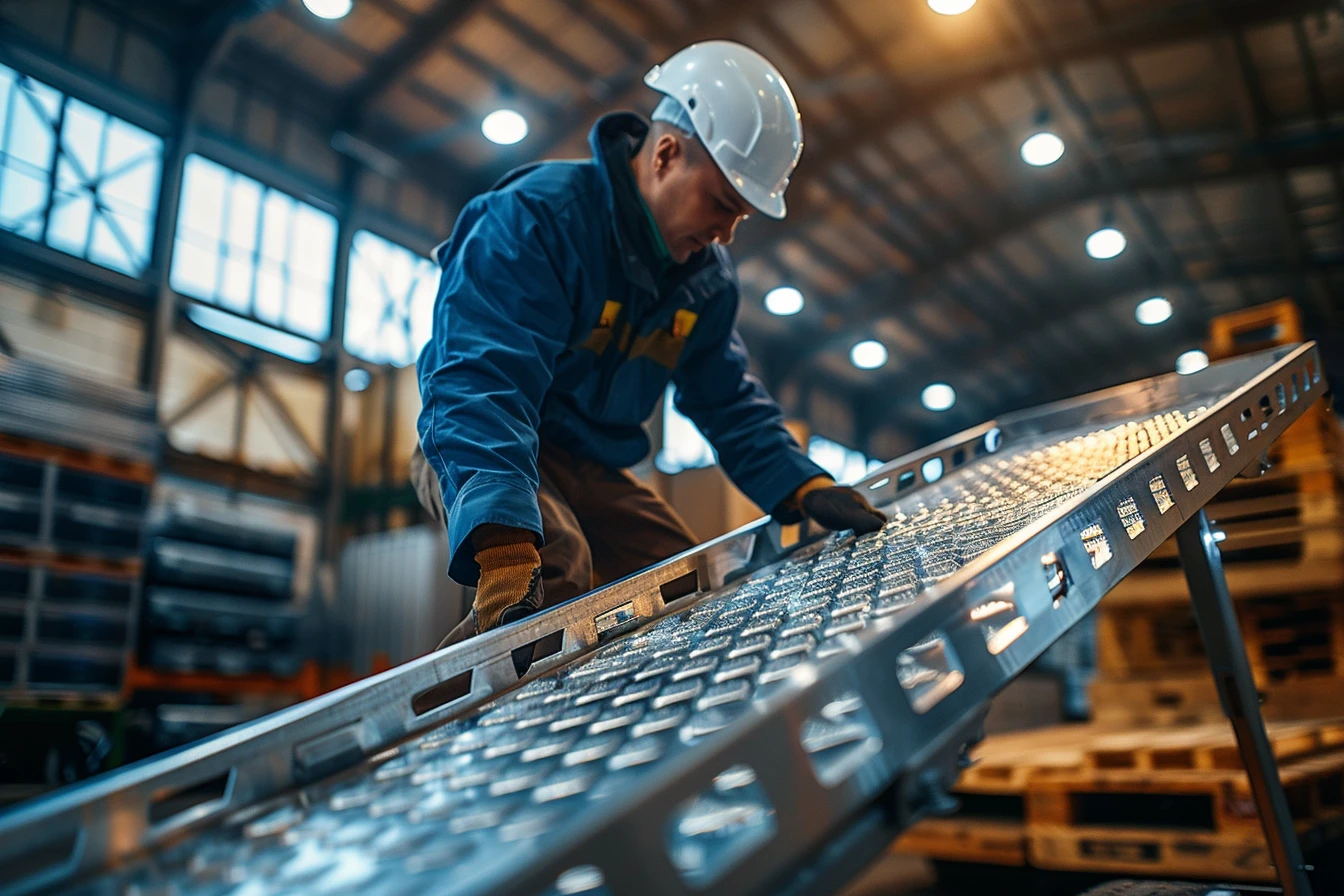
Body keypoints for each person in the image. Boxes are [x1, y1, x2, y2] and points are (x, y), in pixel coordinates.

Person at [411, 41, 887, 650]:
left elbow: (728, 399)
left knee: (682, 586)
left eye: (741, 217)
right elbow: (480, 378)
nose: (727, 233)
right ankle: (446, 738)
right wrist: (502, 529)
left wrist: (805, 484)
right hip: (485, 443)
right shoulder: (536, 219)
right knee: (552, 571)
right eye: (722, 204)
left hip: (591, 465)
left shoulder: (704, 283)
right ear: (666, 154)